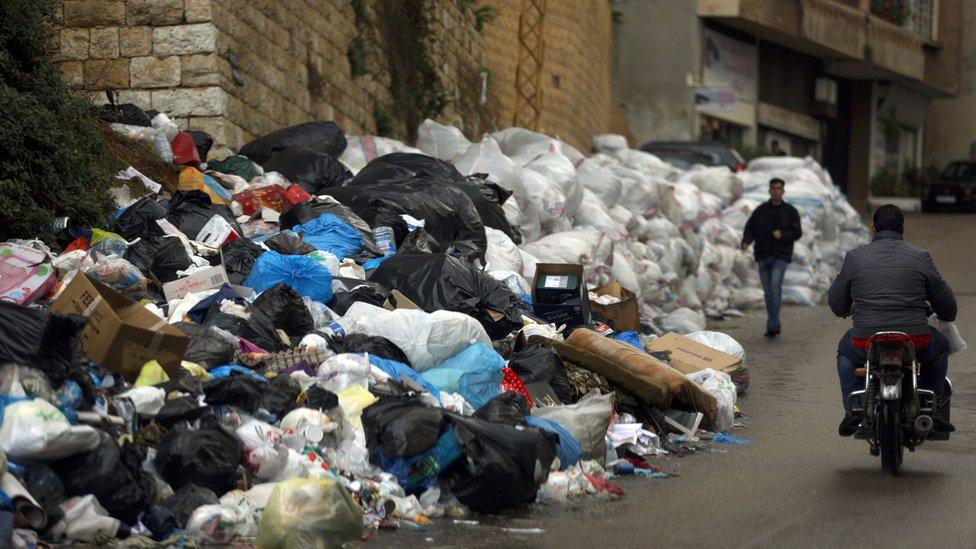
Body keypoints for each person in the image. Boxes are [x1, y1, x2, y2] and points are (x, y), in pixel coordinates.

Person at [828, 205, 956, 437]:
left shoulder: (854, 257)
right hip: (914, 339)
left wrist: (847, 309)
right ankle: (934, 411)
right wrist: (945, 315)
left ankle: (854, 411)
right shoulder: (921, 257)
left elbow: (837, 304)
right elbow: (946, 304)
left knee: (845, 354)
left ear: (873, 228)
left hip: (866, 339)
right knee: (941, 348)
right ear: (903, 227)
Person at [741, 178, 802, 337]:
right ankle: (773, 321)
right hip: (762, 255)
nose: (776, 191)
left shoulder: (790, 211)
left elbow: (797, 233)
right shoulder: (760, 211)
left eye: (778, 188)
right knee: (768, 292)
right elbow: (750, 228)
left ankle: (773, 325)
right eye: (773, 188)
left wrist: (782, 234)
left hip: (780, 256)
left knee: (775, 288)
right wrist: (746, 241)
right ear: (769, 191)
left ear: (783, 191)